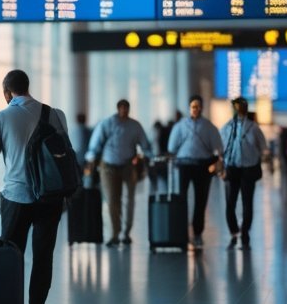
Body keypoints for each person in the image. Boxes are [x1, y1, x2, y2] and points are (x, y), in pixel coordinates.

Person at [0, 69, 67, 304]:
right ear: (28, 87)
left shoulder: (1, 118)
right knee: (43, 258)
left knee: (11, 257)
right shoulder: (55, 114)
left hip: (16, 197)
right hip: (50, 196)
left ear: (6, 93)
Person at [86, 99, 153, 246]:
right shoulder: (107, 123)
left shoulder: (135, 126)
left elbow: (145, 145)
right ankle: (115, 233)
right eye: (121, 108)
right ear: (118, 109)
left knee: (130, 200)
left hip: (128, 166)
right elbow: (96, 143)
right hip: (108, 166)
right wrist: (91, 159)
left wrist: (151, 158)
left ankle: (126, 232)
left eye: (126, 108)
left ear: (128, 109)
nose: (124, 110)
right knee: (112, 200)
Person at [165, 95, 223, 250]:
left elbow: (218, 147)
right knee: (181, 199)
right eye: (193, 106)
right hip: (184, 165)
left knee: (201, 200)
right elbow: (172, 147)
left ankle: (197, 233)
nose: (195, 109)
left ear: (201, 108)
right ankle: (181, 232)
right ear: (189, 108)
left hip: (202, 166)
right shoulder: (180, 126)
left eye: (198, 106)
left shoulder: (208, 126)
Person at [220, 96, 268, 250]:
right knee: (230, 202)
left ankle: (245, 231)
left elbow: (263, 147)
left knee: (247, 203)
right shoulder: (227, 128)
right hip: (231, 167)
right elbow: (220, 149)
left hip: (248, 168)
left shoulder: (253, 128)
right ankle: (234, 231)